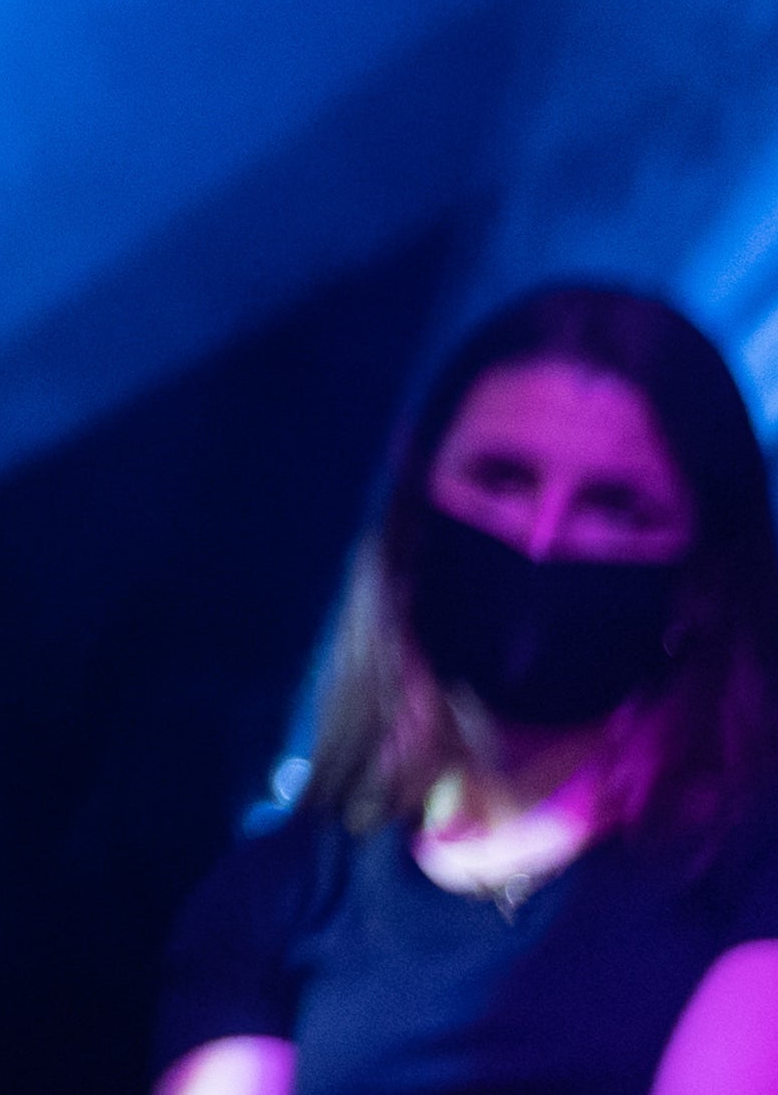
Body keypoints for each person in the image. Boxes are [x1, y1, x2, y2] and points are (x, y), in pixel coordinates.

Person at [158, 280, 778, 1095]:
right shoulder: (281, 892)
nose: (543, 536)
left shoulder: (748, 863)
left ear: (702, 575)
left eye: (614, 506)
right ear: (416, 503)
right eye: (500, 479)